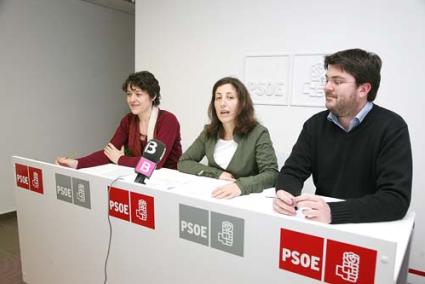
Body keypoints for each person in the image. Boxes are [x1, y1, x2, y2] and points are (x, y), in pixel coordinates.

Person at [273, 48, 412, 224]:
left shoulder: (392, 127)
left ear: (363, 89)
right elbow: (292, 171)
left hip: (371, 228)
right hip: (321, 226)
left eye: (337, 82)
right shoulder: (315, 125)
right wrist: (285, 193)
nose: (327, 87)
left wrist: (333, 212)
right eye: (327, 79)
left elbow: (395, 200)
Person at [56, 71, 182, 169]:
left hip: (169, 182)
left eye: (138, 94)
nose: (132, 100)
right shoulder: (128, 121)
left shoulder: (168, 120)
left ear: (153, 96)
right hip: (141, 179)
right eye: (128, 94)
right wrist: (77, 163)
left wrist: (120, 159)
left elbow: (154, 163)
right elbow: (109, 152)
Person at [178, 77, 278, 199]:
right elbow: (184, 162)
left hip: (245, 200)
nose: (222, 103)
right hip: (213, 196)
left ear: (242, 103)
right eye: (218, 98)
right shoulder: (208, 132)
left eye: (230, 97)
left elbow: (271, 175)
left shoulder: (258, 133)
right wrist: (217, 174)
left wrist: (240, 186)